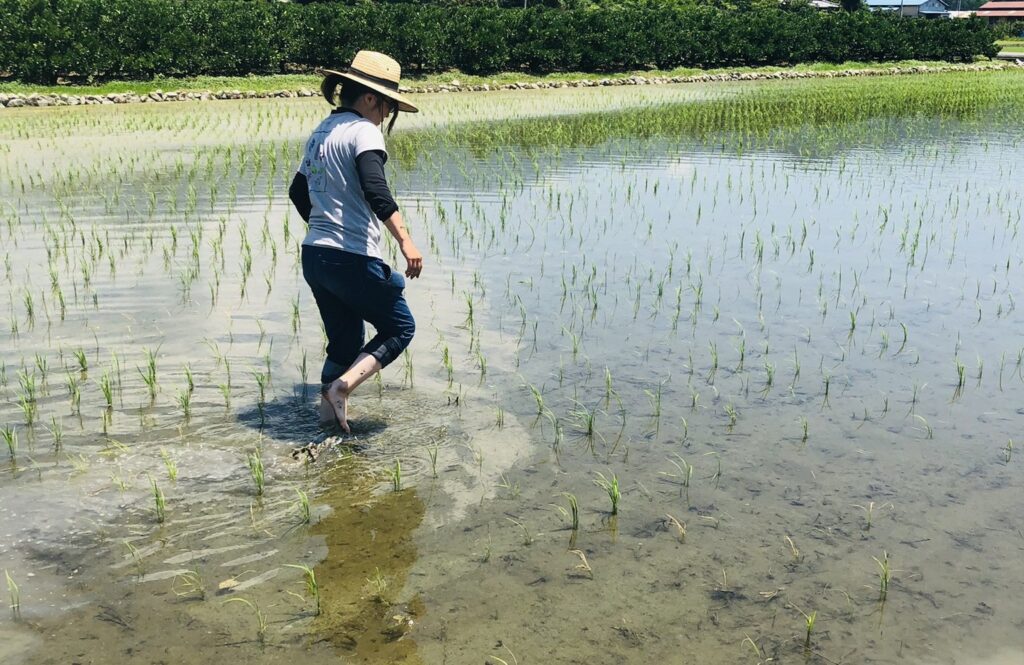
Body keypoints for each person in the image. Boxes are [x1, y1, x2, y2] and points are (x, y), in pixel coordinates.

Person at [289, 51, 423, 433]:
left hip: (315, 255)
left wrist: (323, 227)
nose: (386, 115)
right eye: (387, 106)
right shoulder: (364, 131)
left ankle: (326, 426)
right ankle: (343, 387)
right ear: (369, 98)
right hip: (350, 257)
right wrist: (406, 242)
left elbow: (298, 191)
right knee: (400, 327)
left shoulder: (321, 132)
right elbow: (376, 191)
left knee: (345, 344)